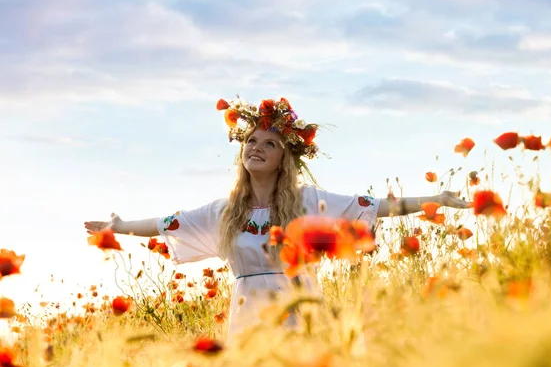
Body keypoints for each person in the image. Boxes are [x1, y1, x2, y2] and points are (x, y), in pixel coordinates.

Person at [84, 96, 470, 340]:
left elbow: (370, 205)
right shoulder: (224, 211)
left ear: (284, 159)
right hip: (246, 313)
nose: (257, 148)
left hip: (297, 308)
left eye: (270, 144)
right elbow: (169, 223)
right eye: (252, 140)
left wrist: (435, 198)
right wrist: (118, 227)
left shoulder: (307, 202)